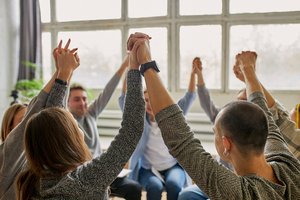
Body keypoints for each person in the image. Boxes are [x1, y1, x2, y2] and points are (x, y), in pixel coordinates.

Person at [127, 33, 300, 199]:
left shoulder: (237, 192)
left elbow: (182, 142)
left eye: (215, 132)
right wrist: (248, 69)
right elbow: (263, 109)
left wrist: (146, 62)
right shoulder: (289, 165)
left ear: (226, 144)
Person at [15, 38, 146, 199]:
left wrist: (63, 73)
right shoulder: (85, 179)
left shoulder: (33, 181)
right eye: (72, 124)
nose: (77, 127)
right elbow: (131, 129)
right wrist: (135, 67)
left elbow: (51, 117)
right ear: (66, 138)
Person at [0, 39, 78, 199]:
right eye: (23, 120)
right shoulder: (6, 154)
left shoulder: (36, 157)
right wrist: (63, 74)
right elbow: (46, 113)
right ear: (8, 129)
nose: (33, 123)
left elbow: (55, 118)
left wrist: (64, 72)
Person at [118, 56, 196, 200]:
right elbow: (124, 98)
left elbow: (189, 97)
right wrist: (129, 68)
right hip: (148, 168)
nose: (148, 103)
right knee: (155, 187)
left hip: (172, 166)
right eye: (145, 100)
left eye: (152, 99)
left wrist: (193, 74)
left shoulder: (171, 116)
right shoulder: (139, 119)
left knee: (174, 185)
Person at [67, 55, 142, 200]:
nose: (82, 103)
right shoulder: (66, 121)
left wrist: (124, 66)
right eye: (77, 99)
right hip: (82, 175)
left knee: (134, 188)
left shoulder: (90, 114)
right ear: (68, 102)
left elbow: (108, 91)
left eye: (84, 98)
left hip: (102, 170)